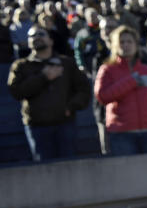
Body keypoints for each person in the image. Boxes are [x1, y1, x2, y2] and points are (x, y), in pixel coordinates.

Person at [7, 25, 90, 161]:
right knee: (44, 170)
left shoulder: (67, 63)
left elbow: (84, 89)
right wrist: (43, 78)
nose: (36, 38)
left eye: (40, 34)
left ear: (51, 40)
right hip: (37, 127)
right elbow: (16, 92)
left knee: (69, 167)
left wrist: (71, 107)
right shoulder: (21, 65)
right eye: (31, 36)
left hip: (65, 124)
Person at [94, 25, 147, 155]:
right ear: (115, 45)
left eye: (129, 42)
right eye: (122, 42)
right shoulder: (107, 70)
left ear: (136, 45)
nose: (126, 45)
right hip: (121, 133)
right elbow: (103, 96)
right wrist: (131, 81)